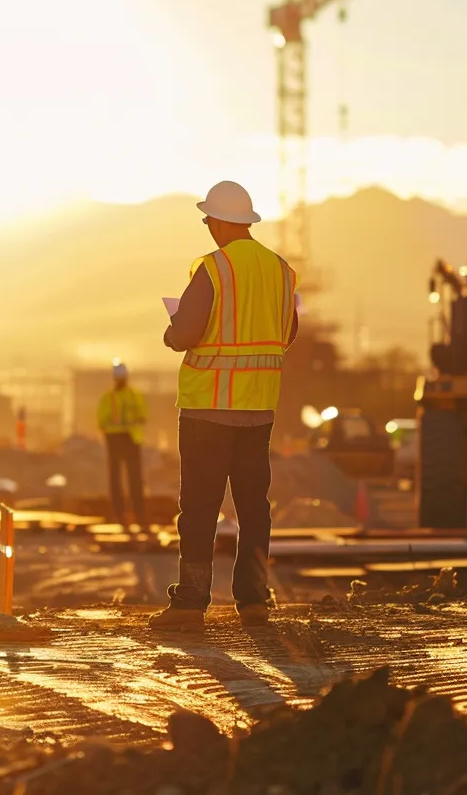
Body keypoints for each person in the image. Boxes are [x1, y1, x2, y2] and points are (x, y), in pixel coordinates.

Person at [150, 180, 299, 631]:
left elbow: (186, 335)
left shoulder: (214, 269)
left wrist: (172, 330)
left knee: (199, 506)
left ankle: (191, 603)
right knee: (254, 506)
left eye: (206, 219)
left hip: (208, 410)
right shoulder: (281, 271)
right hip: (258, 410)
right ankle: (254, 600)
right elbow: (286, 333)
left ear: (216, 221)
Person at [97, 361, 149, 527]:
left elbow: (143, 416)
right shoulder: (109, 398)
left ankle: (139, 516)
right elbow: (102, 419)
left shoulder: (133, 396)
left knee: (134, 480)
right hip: (116, 439)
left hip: (130, 439)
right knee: (116, 480)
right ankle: (120, 516)